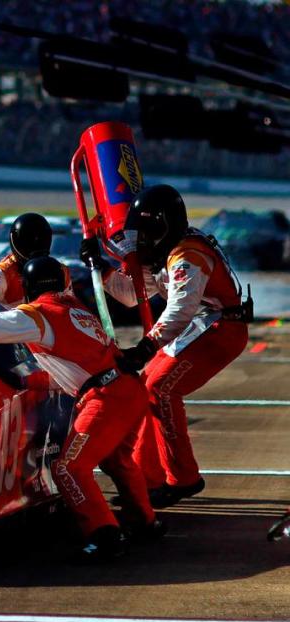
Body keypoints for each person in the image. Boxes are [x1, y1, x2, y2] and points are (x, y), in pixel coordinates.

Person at [0, 256, 165, 562]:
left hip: (107, 396)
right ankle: (146, 523)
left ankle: (105, 535)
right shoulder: (76, 310)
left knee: (69, 468)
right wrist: (31, 380)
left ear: (30, 285)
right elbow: (74, 367)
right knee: (117, 459)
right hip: (125, 388)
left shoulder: (38, 315)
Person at [81, 184, 252, 508]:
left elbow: (180, 309)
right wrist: (100, 268)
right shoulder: (161, 253)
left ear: (162, 229)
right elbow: (133, 296)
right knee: (147, 386)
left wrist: (146, 346)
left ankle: (183, 479)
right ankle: (148, 477)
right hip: (201, 325)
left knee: (161, 388)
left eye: (145, 233)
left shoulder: (187, 255)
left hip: (220, 328)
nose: (140, 240)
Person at [0, 212, 62, 307]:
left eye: (40, 239)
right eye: (29, 241)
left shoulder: (60, 271)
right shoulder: (3, 273)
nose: (35, 245)